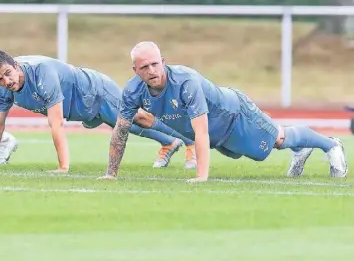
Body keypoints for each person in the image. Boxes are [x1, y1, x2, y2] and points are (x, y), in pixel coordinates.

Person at [100, 41, 348, 182]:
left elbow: (201, 130)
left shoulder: (186, 81)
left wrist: (201, 176)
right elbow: (121, 130)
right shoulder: (132, 91)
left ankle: (330, 145)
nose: (152, 70)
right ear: (135, 70)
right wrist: (111, 174)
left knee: (278, 139)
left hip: (235, 113)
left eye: (155, 64)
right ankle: (301, 148)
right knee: (257, 151)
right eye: (145, 67)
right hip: (220, 134)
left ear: (163, 61)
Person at [0, 50, 196, 172]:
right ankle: (169, 142)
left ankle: (190, 141)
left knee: (138, 118)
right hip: (81, 108)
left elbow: (56, 123)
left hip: (96, 90)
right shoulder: (3, 90)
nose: (6, 81)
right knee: (124, 126)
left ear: (16, 65)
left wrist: (63, 167)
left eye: (8, 73)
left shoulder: (42, 74)